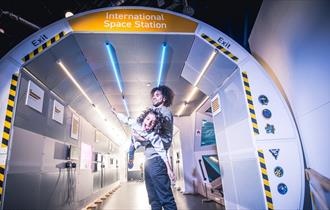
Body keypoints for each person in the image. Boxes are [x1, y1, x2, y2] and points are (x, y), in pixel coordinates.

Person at [132, 85, 177, 210]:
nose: (154, 97)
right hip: (149, 160)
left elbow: (165, 140)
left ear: (164, 98)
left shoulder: (165, 112)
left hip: (157, 160)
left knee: (166, 198)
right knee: (153, 199)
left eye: (157, 95)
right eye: (153, 95)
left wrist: (143, 139)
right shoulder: (153, 112)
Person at [112, 107, 173, 175]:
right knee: (131, 150)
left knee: (145, 142)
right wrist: (116, 113)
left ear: (155, 126)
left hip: (143, 142)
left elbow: (162, 151)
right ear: (143, 118)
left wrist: (169, 169)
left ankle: (143, 141)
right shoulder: (136, 123)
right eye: (147, 119)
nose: (148, 123)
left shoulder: (153, 136)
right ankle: (130, 162)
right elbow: (125, 119)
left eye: (152, 122)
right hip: (134, 142)